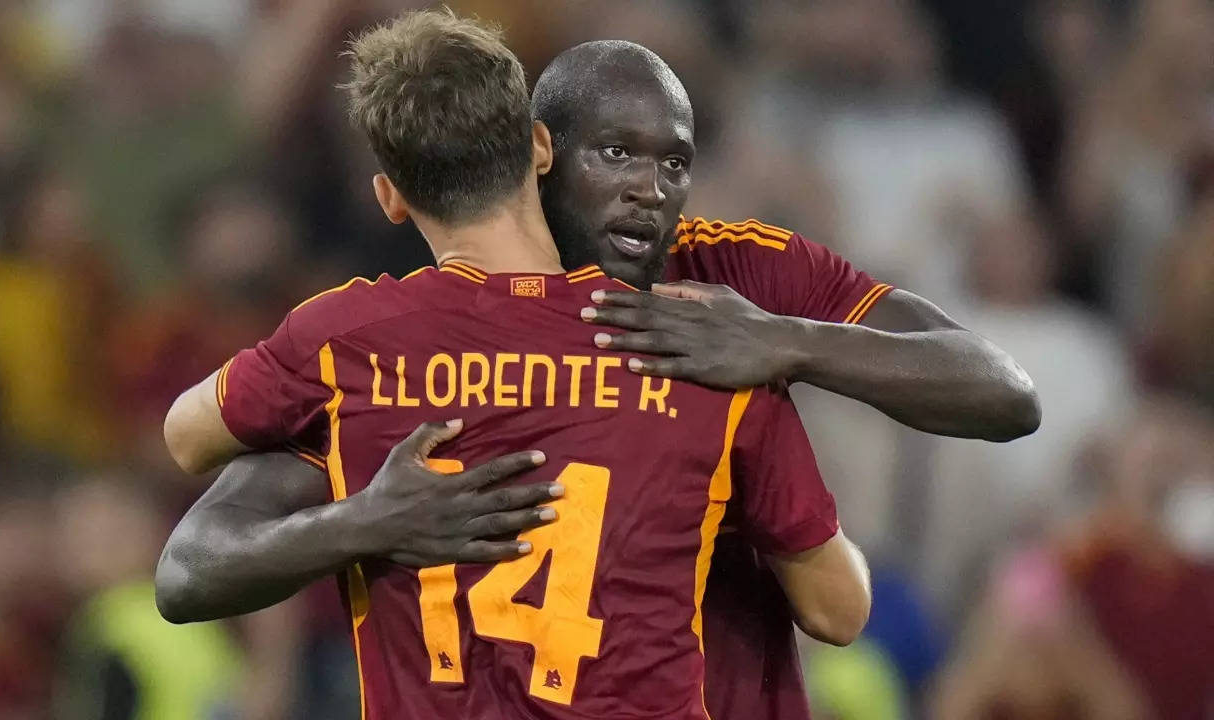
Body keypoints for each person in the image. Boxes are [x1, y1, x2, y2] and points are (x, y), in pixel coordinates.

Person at [160, 31, 1040, 720]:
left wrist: (787, 341)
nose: (651, 189)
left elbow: (1004, 391)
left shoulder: (734, 283)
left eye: (675, 162)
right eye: (616, 155)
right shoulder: (416, 348)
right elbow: (840, 607)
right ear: (540, 152)